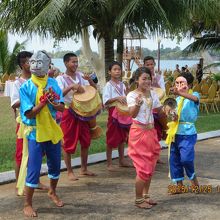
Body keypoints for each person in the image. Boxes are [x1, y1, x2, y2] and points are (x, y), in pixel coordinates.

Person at [20, 51, 64, 217]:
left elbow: (61, 108)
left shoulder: (53, 83)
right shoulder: (26, 87)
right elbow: (29, 114)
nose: (35, 65)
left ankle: (52, 191)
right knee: (34, 168)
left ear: (48, 65)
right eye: (33, 61)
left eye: (40, 62)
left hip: (51, 130)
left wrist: (55, 103)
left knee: (55, 165)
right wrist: (43, 101)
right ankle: (27, 204)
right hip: (35, 132)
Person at [11, 51, 47, 195]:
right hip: (25, 124)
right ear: (22, 65)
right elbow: (14, 104)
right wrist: (29, 98)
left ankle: (35, 181)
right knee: (21, 154)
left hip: (40, 121)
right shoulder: (18, 83)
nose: (33, 64)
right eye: (29, 62)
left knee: (37, 153)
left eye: (34, 61)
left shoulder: (39, 80)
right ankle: (19, 184)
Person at [56, 53, 97, 181]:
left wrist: (90, 81)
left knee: (85, 140)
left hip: (83, 112)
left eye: (76, 62)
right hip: (68, 112)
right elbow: (58, 95)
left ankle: (84, 168)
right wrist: (70, 87)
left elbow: (93, 89)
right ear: (66, 63)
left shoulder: (81, 76)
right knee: (68, 141)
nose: (75, 64)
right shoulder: (60, 79)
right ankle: (69, 171)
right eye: (73, 62)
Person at [127, 67, 161, 209]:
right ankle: (138, 199)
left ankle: (146, 196)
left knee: (151, 165)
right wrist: (138, 104)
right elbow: (132, 114)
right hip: (139, 134)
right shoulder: (132, 95)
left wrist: (167, 109)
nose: (147, 81)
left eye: (149, 78)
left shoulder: (153, 93)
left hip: (151, 132)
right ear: (137, 80)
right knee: (143, 168)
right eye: (144, 78)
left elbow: (158, 109)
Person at [166, 72, 200, 194]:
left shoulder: (194, 95)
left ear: (189, 85)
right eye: (177, 83)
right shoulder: (177, 99)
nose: (179, 85)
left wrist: (179, 92)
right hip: (175, 133)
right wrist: (172, 114)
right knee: (174, 160)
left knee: (186, 159)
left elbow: (195, 99)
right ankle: (179, 185)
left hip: (188, 133)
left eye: (182, 83)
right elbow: (174, 117)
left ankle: (193, 178)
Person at [102, 61, 131, 171]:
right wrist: (117, 98)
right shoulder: (108, 85)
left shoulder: (122, 84)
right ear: (110, 72)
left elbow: (126, 98)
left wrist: (127, 93)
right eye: (114, 69)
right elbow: (106, 101)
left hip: (123, 113)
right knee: (111, 136)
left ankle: (121, 160)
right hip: (113, 113)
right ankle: (109, 163)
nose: (117, 71)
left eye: (119, 69)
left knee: (122, 137)